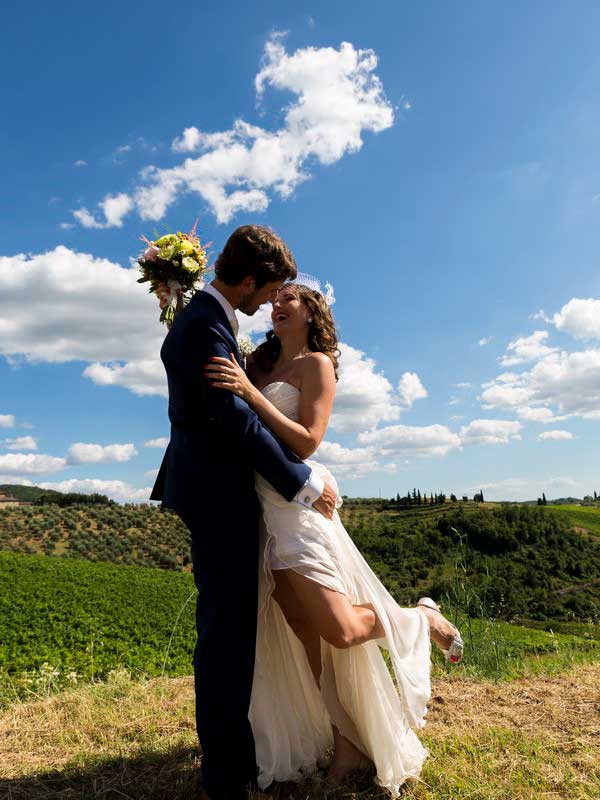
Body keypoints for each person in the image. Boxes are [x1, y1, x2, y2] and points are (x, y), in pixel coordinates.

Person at [204, 276, 463, 795]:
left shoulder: (315, 366)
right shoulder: (255, 361)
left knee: (341, 629)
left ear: (311, 311)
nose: (277, 304)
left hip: (298, 512)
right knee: (310, 644)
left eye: (289, 298)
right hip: (261, 517)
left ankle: (421, 618)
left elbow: (305, 441)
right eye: (274, 298)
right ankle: (345, 743)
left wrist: (252, 394)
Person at [150, 225, 338, 800]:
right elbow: (235, 420)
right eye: (269, 292)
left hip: (223, 493)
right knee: (227, 637)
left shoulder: (208, 320)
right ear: (251, 281)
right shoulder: (205, 324)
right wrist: (302, 483)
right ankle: (226, 776)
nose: (267, 305)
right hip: (219, 496)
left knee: (231, 630)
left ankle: (231, 756)